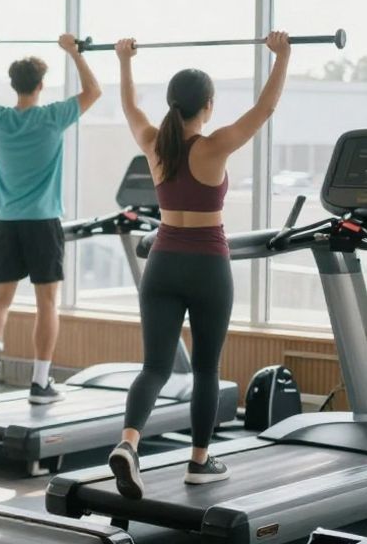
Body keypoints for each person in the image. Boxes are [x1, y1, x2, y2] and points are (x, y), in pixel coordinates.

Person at [107, 32, 291, 499]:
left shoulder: (154, 143)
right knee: (207, 369)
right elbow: (266, 108)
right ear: (207, 105)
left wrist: (124, 60)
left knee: (154, 367)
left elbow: (129, 107)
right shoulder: (214, 146)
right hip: (207, 264)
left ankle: (128, 444)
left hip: (162, 263)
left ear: (172, 103)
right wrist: (283, 56)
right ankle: (199, 461)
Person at [0, 34, 102, 404]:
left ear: (14, 85)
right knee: (47, 304)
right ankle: (40, 383)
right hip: (42, 222)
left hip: (6, 223)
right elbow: (93, 91)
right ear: (40, 85)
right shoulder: (52, 117)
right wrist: (73, 53)